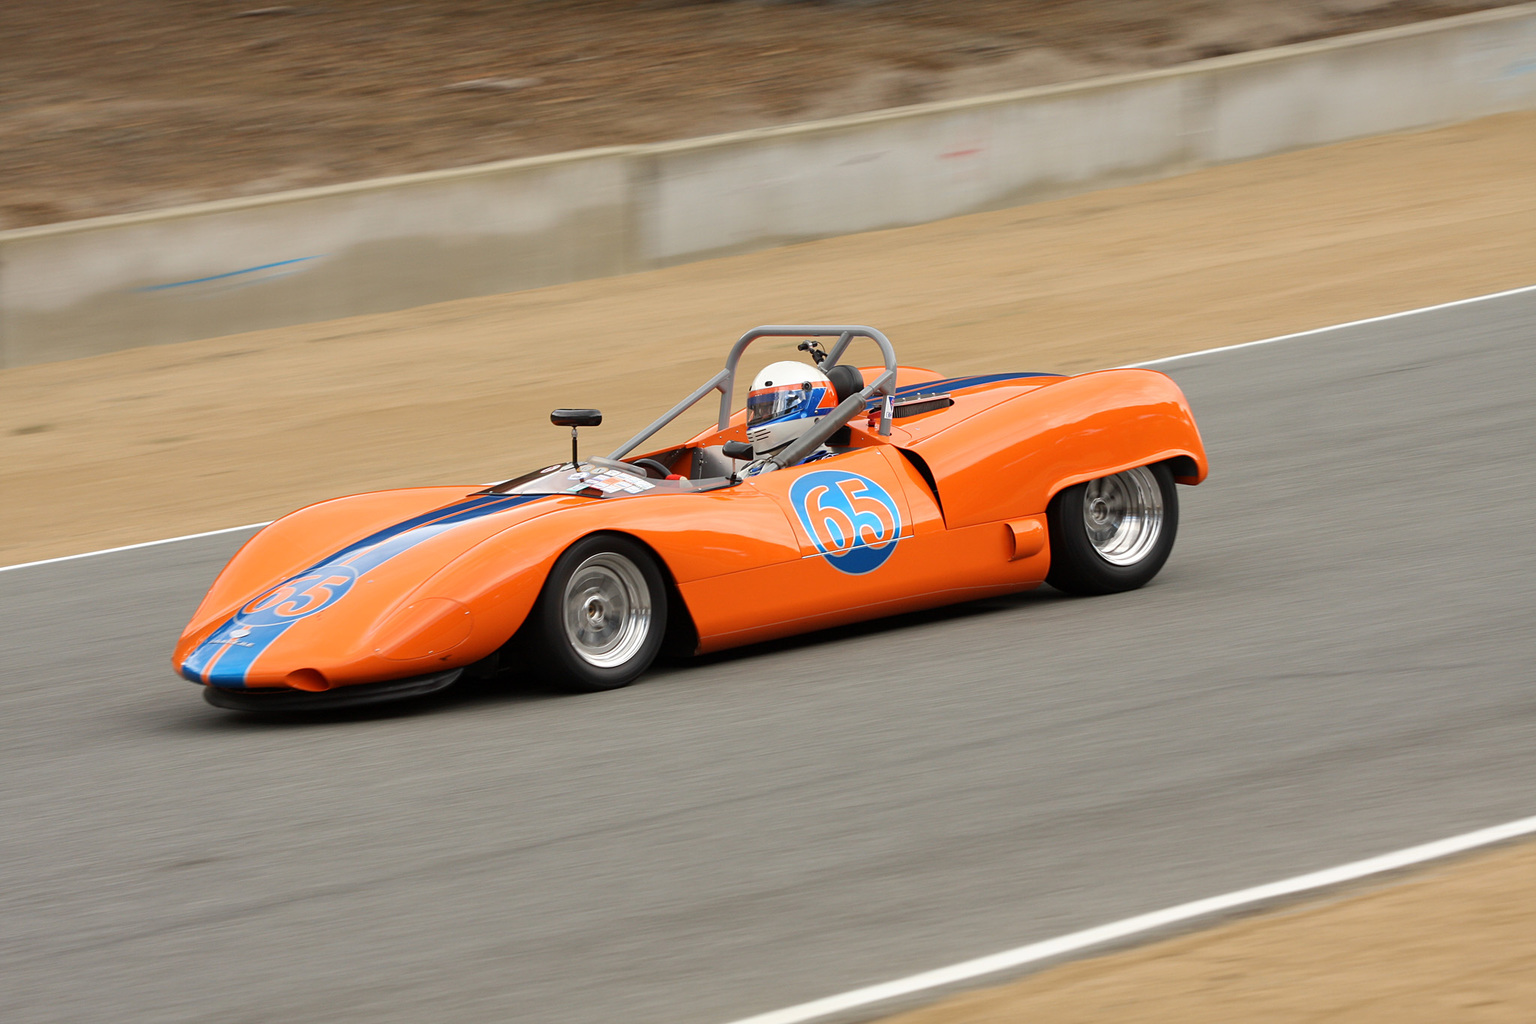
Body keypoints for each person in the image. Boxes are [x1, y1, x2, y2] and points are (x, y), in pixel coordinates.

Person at [742, 360, 842, 471]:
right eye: (759, 410)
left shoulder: (831, 467)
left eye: (769, 409)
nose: (762, 416)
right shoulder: (752, 470)